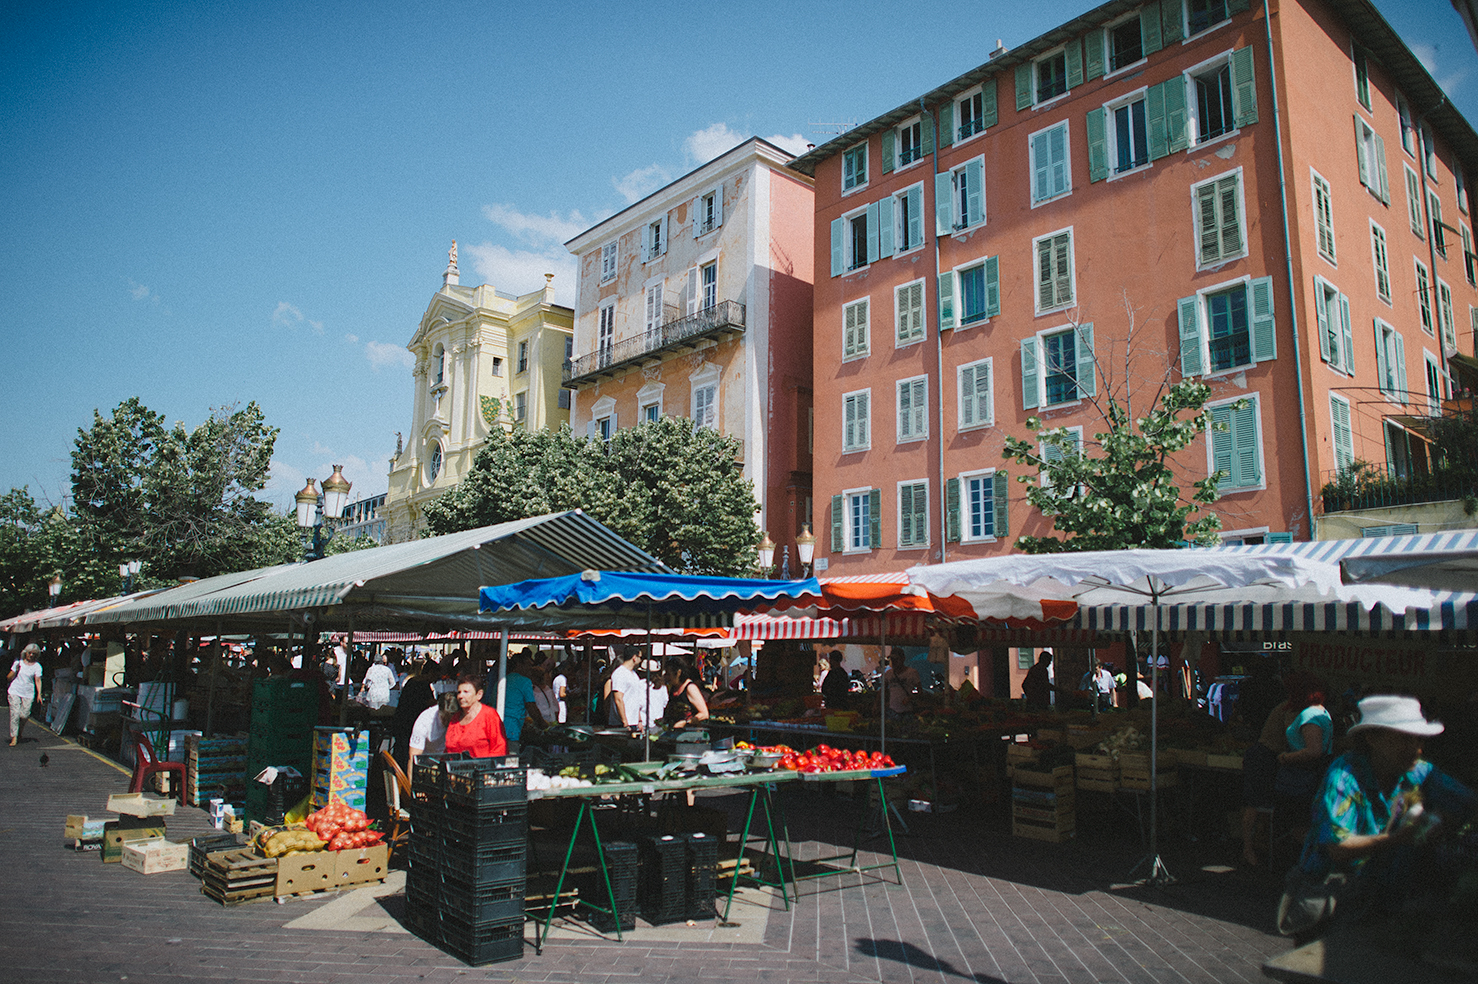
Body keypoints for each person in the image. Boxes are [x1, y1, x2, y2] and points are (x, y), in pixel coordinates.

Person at [1283, 694, 1476, 936]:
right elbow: (1338, 847)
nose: (1416, 748)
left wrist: (1445, 822)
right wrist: (1401, 838)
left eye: (1418, 739)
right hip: (1332, 902)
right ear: (1372, 738)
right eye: (1405, 739)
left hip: (1385, 902)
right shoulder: (1344, 776)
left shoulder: (1420, 772)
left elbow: (1468, 802)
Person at [1242, 689, 1296, 866]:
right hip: (1263, 756)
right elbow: (1291, 735)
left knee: (1265, 805)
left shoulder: (1291, 707)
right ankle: (1248, 848)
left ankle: (1262, 843)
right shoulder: (1290, 709)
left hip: (1270, 756)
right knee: (1254, 804)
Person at [1275, 672, 1334, 802]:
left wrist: (1285, 757)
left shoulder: (1309, 714)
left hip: (1301, 781)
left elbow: (1313, 751)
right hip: (1310, 778)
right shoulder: (1320, 710)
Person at [443, 674, 507, 758]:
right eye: (459, 692)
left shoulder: (489, 715)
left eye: (466, 692)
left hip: (482, 769)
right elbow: (448, 750)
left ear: (479, 694)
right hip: (455, 769)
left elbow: (500, 749)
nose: (461, 696)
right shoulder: (455, 718)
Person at [492, 651, 543, 753]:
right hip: (511, 731)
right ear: (519, 665)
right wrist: (543, 725)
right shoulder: (525, 682)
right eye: (528, 665)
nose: (530, 669)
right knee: (510, 763)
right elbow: (531, 707)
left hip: (495, 729)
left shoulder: (500, 681)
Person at [408, 692, 459, 765]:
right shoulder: (424, 721)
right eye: (445, 718)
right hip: (430, 762)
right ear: (439, 711)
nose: (449, 722)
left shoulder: (463, 717)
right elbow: (413, 758)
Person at [8, 644, 44, 746]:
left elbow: (38, 680)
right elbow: (10, 676)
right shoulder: (18, 663)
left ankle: (20, 732)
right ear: (25, 653)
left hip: (28, 693)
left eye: (34, 654)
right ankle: (14, 736)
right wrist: (14, 670)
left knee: (24, 715)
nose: (31, 655)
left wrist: (39, 694)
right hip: (15, 690)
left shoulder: (37, 666)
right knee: (15, 713)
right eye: (29, 653)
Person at [662, 658, 709, 730]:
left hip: (690, 735)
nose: (666, 677)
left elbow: (704, 714)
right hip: (674, 734)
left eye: (668, 674)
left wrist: (685, 723)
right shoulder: (673, 689)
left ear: (678, 673)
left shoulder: (690, 688)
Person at [607, 646, 643, 729]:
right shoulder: (620, 673)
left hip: (633, 722)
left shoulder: (634, 674)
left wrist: (639, 720)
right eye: (640, 657)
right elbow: (618, 699)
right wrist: (624, 721)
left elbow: (635, 698)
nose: (641, 660)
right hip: (621, 723)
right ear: (634, 658)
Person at [882, 648, 920, 719]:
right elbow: (883, 690)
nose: (894, 662)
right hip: (892, 711)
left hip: (907, 711)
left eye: (896, 659)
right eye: (892, 659)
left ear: (903, 659)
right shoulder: (888, 674)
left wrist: (910, 698)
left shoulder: (912, 673)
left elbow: (920, 692)